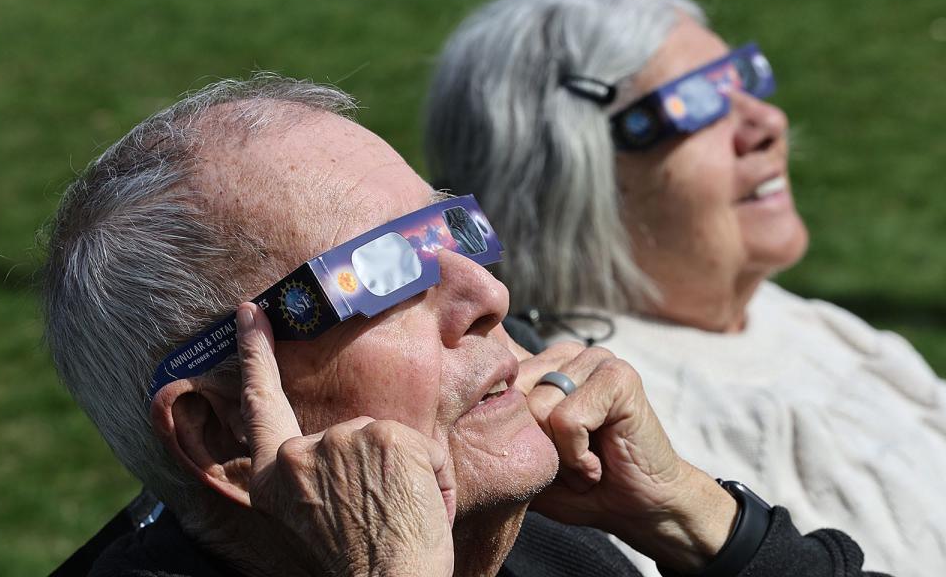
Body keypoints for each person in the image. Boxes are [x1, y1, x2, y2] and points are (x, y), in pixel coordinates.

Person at [43, 74, 891, 576]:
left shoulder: (528, 527)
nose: (488, 291)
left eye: (448, 230)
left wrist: (698, 524)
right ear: (222, 428)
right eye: (378, 275)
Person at [423, 0, 946, 577]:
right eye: (698, 104)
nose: (767, 125)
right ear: (569, 175)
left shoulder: (807, 325)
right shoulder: (608, 421)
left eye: (743, 79)